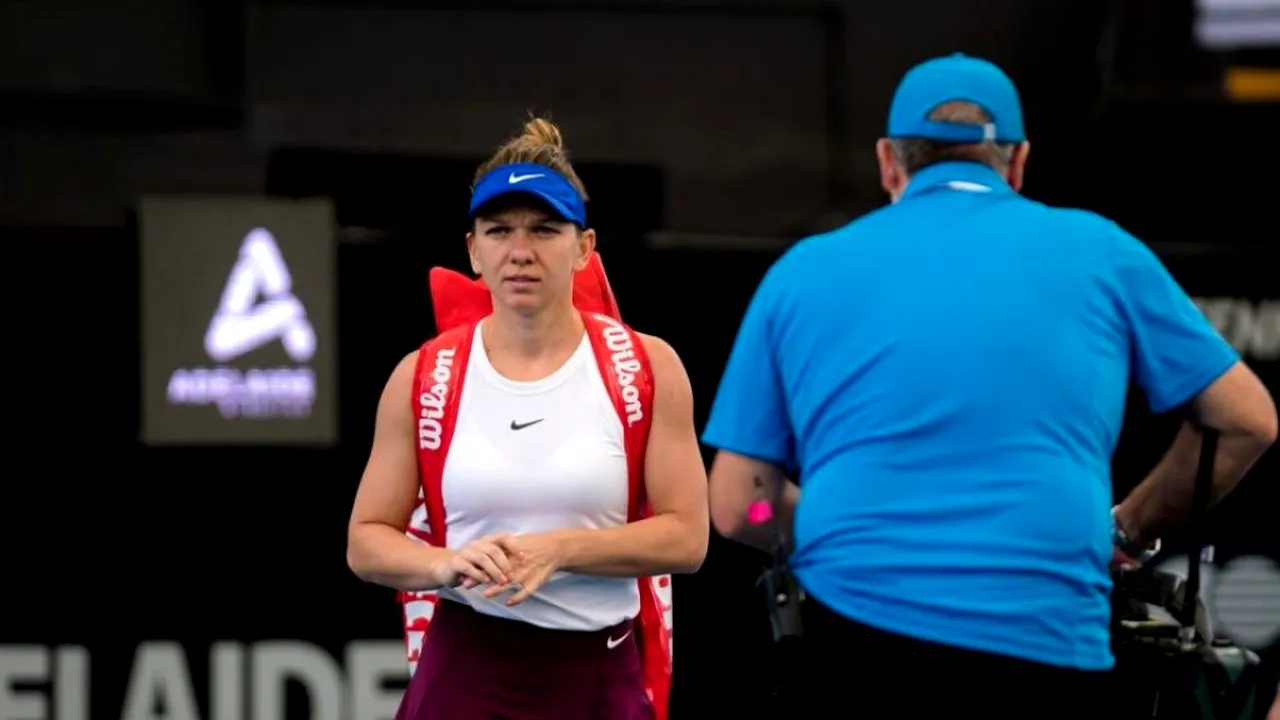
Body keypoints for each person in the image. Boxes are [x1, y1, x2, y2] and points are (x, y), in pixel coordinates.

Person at [702, 53, 1277, 718]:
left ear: (889, 162)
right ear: (1019, 161)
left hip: (857, 636)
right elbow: (1247, 420)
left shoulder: (803, 270)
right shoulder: (1101, 251)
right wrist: (1127, 528)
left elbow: (743, 505)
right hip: (1046, 637)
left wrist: (836, 521)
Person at [347, 117, 708, 720]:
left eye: (544, 230)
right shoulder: (424, 375)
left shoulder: (648, 366)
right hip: (467, 666)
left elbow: (688, 539)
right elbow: (365, 541)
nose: (521, 251)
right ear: (473, 250)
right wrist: (445, 563)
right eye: (499, 230)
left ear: (584, 248)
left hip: (597, 673)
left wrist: (559, 550)